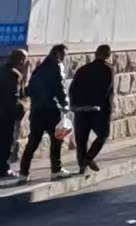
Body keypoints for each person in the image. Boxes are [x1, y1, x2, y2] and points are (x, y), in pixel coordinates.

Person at [19, 43, 69, 179]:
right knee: (56, 141)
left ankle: (23, 173)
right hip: (52, 110)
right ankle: (56, 170)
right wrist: (65, 104)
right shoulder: (57, 66)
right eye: (64, 54)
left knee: (33, 142)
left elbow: (29, 90)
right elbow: (60, 88)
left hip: (37, 110)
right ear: (58, 53)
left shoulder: (39, 68)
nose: (64, 57)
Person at [69, 44, 116, 174]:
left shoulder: (83, 69)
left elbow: (72, 88)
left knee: (81, 139)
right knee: (103, 134)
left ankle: (82, 166)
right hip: (99, 109)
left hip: (81, 109)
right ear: (108, 55)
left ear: (96, 54)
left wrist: (74, 105)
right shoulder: (108, 69)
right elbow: (107, 89)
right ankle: (88, 158)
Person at [0, 49, 25, 178]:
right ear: (20, 60)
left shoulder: (1, 70)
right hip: (7, 114)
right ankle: (3, 169)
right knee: (7, 141)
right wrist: (20, 110)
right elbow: (15, 96)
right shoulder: (15, 74)